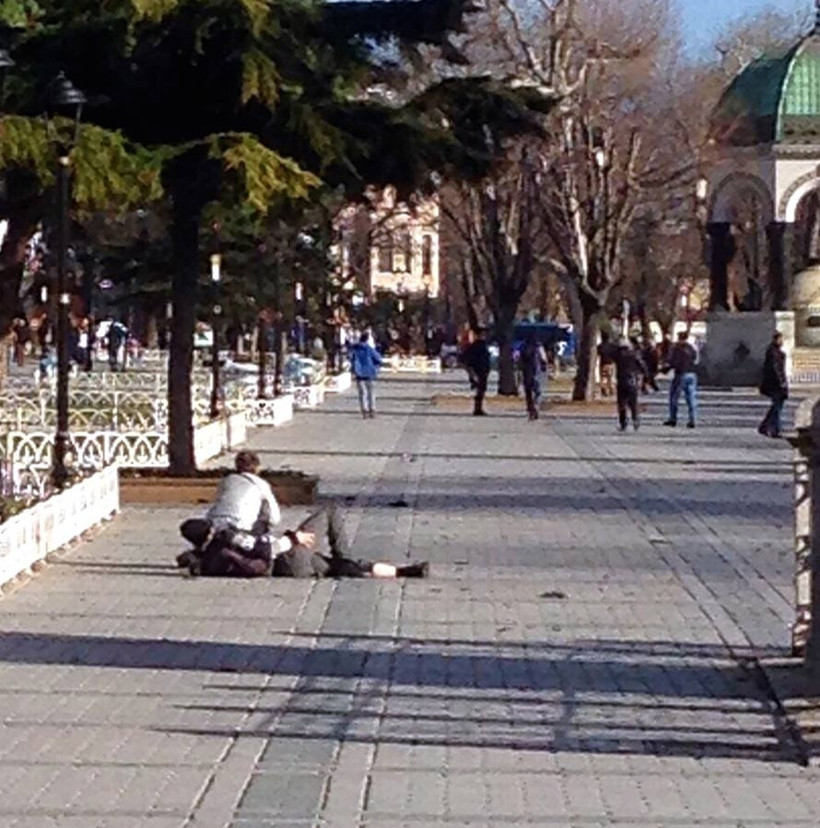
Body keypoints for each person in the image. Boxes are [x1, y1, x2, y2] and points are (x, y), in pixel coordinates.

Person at [178, 451, 428, 579]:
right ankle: (349, 558)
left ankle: (403, 572)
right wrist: (293, 537)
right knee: (329, 511)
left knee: (333, 567)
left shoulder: (207, 558)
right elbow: (266, 546)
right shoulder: (229, 535)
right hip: (287, 557)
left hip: (291, 572)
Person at [664, 330, 698, 428]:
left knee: (674, 397)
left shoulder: (677, 349)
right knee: (691, 398)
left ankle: (673, 418)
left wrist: (665, 369)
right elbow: (696, 359)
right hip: (692, 374)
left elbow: (673, 362)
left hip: (680, 374)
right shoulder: (691, 348)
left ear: (679, 338)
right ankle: (692, 420)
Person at [758, 331, 788, 439]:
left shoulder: (774, 352)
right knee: (777, 407)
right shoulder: (774, 353)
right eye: (780, 339)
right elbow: (776, 370)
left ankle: (765, 426)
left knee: (776, 406)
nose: (782, 342)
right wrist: (782, 382)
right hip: (776, 384)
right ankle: (775, 429)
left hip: (775, 384)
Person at [614, 338, 647, 431]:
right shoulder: (634, 355)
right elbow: (642, 366)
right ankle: (635, 420)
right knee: (633, 402)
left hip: (621, 380)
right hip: (632, 380)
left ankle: (623, 423)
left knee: (621, 403)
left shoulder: (618, 356)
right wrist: (645, 376)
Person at [350, 332, 383, 419]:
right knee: (371, 392)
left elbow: (350, 359)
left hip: (359, 373)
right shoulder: (369, 349)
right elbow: (378, 359)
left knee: (362, 393)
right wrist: (376, 368)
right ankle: (372, 409)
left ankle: (364, 410)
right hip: (370, 373)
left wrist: (353, 369)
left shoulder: (355, 349)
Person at [461, 327, 491, 416]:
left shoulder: (482, 345)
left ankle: (479, 408)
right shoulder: (476, 346)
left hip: (483, 371)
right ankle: (477, 408)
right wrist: (471, 371)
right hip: (478, 371)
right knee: (479, 390)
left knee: (481, 390)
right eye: (482, 334)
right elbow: (465, 359)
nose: (484, 336)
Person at [520, 333, 548, 420]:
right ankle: (535, 407)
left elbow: (519, 360)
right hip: (536, 371)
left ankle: (530, 408)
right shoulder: (539, 347)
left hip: (526, 372)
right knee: (538, 391)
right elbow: (544, 359)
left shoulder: (523, 347)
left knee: (528, 392)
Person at [597, 330, 617, 397]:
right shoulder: (612, 346)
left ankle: (604, 390)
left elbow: (597, 354)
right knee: (610, 378)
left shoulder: (600, 346)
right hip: (611, 364)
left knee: (602, 379)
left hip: (603, 364)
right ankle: (612, 391)